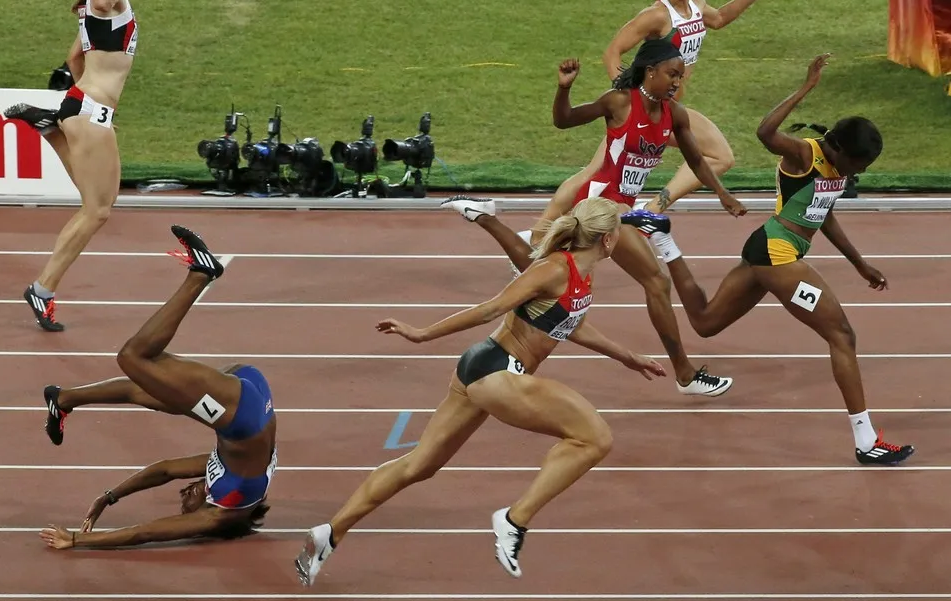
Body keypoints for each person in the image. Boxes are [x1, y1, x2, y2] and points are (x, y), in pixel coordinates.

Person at [294, 197, 666, 586]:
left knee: (419, 465)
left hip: (483, 371)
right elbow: (491, 309)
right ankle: (514, 519)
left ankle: (329, 535)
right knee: (594, 438)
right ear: (608, 239)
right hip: (498, 369)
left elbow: (571, 325)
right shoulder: (554, 268)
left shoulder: (582, 274)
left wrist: (628, 356)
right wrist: (423, 334)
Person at [619, 54, 914, 465]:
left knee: (705, 323)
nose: (857, 173)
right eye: (857, 164)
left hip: (767, 251)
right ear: (840, 148)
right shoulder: (804, 155)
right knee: (842, 335)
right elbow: (764, 131)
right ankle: (866, 441)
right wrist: (806, 88)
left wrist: (858, 263)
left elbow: (822, 212)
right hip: (778, 256)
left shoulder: (837, 169)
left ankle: (665, 242)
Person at [442, 39, 746, 397]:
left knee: (548, 273)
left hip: (620, 205)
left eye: (680, 75)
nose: (678, 82)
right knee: (656, 281)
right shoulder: (619, 103)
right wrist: (564, 87)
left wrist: (722, 194)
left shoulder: (673, 115)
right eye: (671, 74)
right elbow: (563, 121)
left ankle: (485, 217)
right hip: (602, 203)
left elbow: (696, 160)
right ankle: (685, 374)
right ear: (650, 71)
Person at [38, 225, 281, 549]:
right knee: (134, 357)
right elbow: (146, 532)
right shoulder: (221, 513)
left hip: (251, 393)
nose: (186, 500)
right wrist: (78, 540)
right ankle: (200, 275)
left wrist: (109, 497)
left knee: (146, 389)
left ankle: (64, 399)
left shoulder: (226, 480)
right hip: (242, 415)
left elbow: (164, 470)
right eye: (187, 509)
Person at [5, 0, 150, 332]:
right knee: (97, 209)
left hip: (81, 107)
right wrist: (92, 108)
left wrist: (84, 105)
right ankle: (43, 288)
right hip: (87, 110)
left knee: (96, 203)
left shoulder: (104, 0)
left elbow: (75, 55)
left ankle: (51, 128)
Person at [598, 0, 783, 213]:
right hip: (646, 112)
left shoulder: (696, 4)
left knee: (719, 157)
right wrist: (627, 101)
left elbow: (718, 19)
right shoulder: (656, 15)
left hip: (669, 110)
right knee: (601, 184)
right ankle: (545, 233)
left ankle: (649, 212)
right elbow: (612, 52)